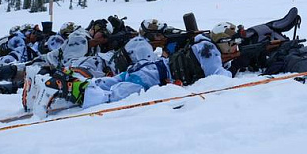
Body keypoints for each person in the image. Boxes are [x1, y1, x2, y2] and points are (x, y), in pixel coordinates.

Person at [30, 23, 236, 117]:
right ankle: (69, 89)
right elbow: (219, 79)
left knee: (107, 84)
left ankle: (66, 85)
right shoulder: (210, 51)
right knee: (113, 97)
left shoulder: (202, 46)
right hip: (152, 76)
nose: (234, 46)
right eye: (232, 42)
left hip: (148, 69)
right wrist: (229, 66)